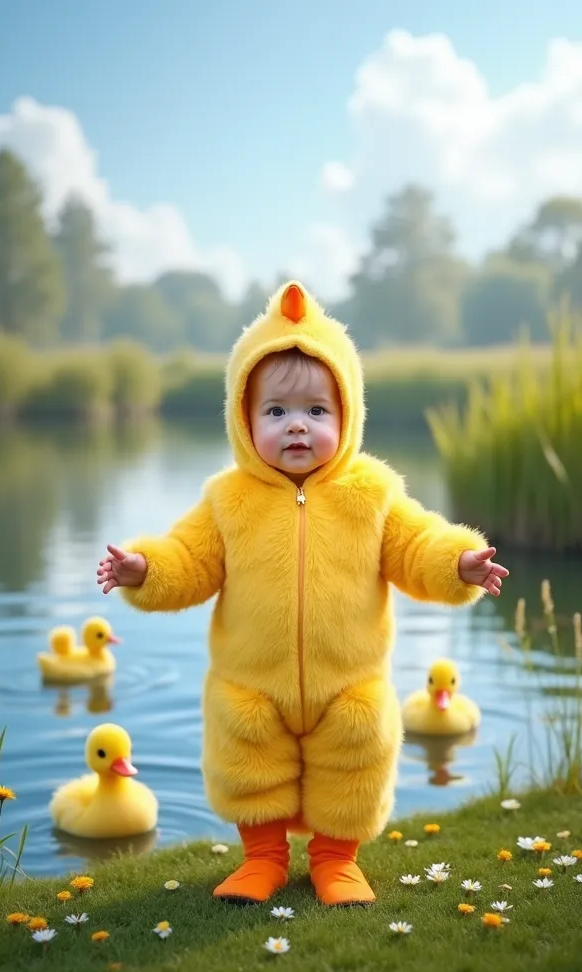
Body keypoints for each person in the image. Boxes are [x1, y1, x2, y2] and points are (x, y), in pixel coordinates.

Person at [96, 281, 509, 907]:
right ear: (243, 417)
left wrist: (459, 562)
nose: (298, 426)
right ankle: (261, 858)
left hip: (349, 681)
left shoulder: (372, 492)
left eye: (317, 411)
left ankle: (336, 861)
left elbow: (414, 544)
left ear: (347, 417)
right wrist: (145, 570)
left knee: (358, 749)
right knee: (245, 753)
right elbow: (189, 561)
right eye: (276, 411)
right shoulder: (226, 500)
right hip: (251, 681)